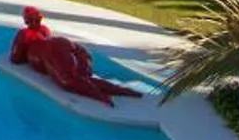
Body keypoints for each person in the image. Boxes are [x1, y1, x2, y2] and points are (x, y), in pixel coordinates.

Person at [9, 7, 142, 105]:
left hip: (49, 51)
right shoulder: (45, 29)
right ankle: (122, 91)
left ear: (26, 21)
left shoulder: (24, 34)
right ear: (40, 18)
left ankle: (104, 97)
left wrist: (26, 53)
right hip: (63, 42)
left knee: (68, 81)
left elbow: (15, 59)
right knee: (80, 76)